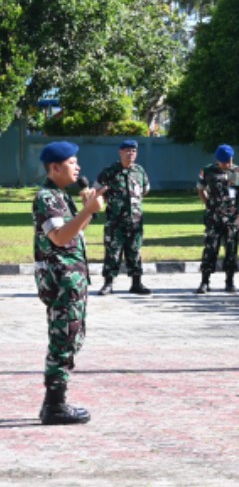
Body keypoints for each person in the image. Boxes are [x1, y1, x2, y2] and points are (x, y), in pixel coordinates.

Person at [34, 141, 105, 425]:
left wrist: (86, 208)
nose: (78, 167)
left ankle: (55, 402)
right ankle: (55, 405)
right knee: (63, 339)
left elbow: (73, 232)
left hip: (71, 278)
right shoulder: (46, 197)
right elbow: (60, 238)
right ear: (55, 167)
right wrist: (87, 211)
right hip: (62, 280)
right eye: (72, 162)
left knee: (71, 336)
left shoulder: (62, 196)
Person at [95, 139, 152, 296]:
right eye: (127, 151)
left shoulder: (139, 171)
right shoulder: (109, 171)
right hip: (115, 221)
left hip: (135, 221)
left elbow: (145, 189)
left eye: (133, 151)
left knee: (135, 251)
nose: (130, 154)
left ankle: (136, 283)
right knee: (112, 252)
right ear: (120, 152)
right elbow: (97, 191)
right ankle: (108, 284)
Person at [196, 145, 239, 294]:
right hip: (214, 217)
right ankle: (205, 282)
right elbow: (201, 189)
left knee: (231, 249)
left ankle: (230, 281)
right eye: (223, 161)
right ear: (217, 159)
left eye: (228, 161)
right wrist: (208, 204)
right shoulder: (207, 170)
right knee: (210, 248)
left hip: (233, 217)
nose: (226, 164)